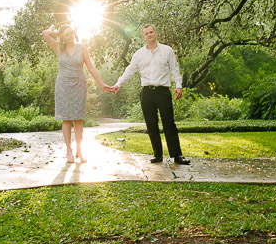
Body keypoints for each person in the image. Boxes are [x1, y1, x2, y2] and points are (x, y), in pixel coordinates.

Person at [110, 24, 190, 165]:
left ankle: (177, 155)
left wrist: (178, 86)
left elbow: (175, 69)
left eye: (151, 32)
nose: (149, 35)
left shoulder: (167, 50)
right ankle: (157, 155)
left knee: (169, 124)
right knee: (151, 125)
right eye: (146, 33)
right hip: (146, 93)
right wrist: (118, 84)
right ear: (144, 37)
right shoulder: (139, 54)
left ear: (156, 33)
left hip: (163, 91)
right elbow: (129, 70)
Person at [42, 24, 109, 163]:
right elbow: (45, 33)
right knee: (66, 119)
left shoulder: (82, 47)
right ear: (62, 37)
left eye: (71, 33)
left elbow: (90, 66)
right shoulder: (58, 47)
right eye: (67, 34)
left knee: (78, 119)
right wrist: (59, 32)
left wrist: (101, 84)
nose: (71, 36)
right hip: (63, 86)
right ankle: (69, 151)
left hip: (79, 84)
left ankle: (79, 150)